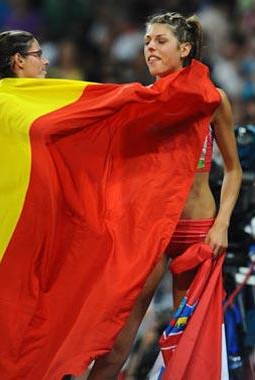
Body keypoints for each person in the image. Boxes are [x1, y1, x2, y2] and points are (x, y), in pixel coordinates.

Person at [0, 28, 220, 380]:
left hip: (12, 233)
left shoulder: (8, 103)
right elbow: (88, 111)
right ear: (19, 62)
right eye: (38, 55)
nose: (46, 61)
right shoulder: (7, 105)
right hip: (2, 242)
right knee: (11, 332)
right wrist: (141, 98)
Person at [87, 12, 242, 379]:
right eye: (146, 42)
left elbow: (234, 170)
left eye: (160, 41)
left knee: (188, 345)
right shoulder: (139, 102)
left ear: (184, 48)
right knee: (118, 344)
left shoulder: (213, 100)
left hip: (199, 232)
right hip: (153, 232)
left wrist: (221, 225)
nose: (150, 49)